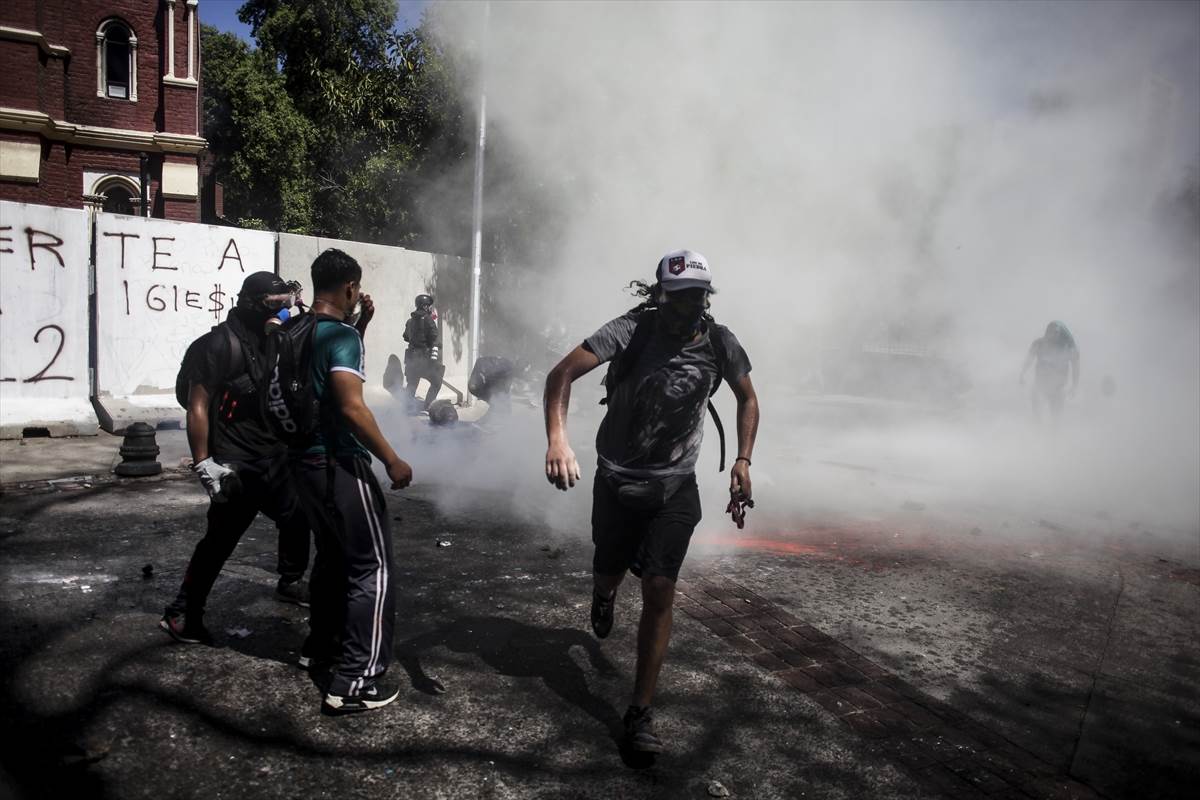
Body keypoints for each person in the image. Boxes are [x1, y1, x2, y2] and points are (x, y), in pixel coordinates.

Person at [543, 249, 760, 753]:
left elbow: (748, 398)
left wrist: (743, 461)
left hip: (675, 486)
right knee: (610, 567)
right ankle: (603, 593)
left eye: (697, 297)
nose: (687, 307)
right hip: (617, 480)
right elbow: (560, 376)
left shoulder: (721, 343)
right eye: (677, 296)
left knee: (660, 587)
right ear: (660, 294)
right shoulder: (630, 331)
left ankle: (640, 712)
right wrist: (557, 439)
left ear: (707, 298)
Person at [291, 248, 414, 715]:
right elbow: (349, 404)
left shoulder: (295, 329)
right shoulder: (340, 336)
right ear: (350, 288)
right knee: (373, 569)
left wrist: (359, 325)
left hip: (302, 463)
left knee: (332, 557)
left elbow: (320, 377)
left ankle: (319, 647)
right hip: (339, 463)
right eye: (357, 289)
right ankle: (356, 681)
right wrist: (391, 458)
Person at [161, 272, 313, 645]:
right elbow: (196, 405)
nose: (282, 313)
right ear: (250, 303)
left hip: (274, 453)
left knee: (299, 515)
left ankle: (290, 581)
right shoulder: (217, 345)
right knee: (220, 540)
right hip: (236, 462)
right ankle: (183, 614)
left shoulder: (275, 338)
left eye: (285, 305)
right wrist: (204, 463)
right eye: (274, 306)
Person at [1020, 320, 1080, 423]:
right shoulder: (1038, 344)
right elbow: (1029, 359)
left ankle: (1054, 436)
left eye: (1056, 333)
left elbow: (1076, 367)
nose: (1053, 335)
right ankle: (1038, 430)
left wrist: (1074, 385)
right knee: (1037, 412)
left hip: (1058, 387)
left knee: (1056, 418)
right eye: (1051, 332)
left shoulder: (1068, 348)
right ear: (1046, 332)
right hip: (1040, 383)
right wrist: (1022, 373)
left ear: (1060, 334)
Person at [403, 294, 444, 412]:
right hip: (424, 359)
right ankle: (428, 406)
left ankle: (405, 410)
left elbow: (406, 337)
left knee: (412, 385)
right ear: (425, 306)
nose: (430, 308)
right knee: (437, 382)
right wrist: (434, 358)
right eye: (429, 306)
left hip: (411, 359)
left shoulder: (410, 321)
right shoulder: (428, 320)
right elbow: (434, 339)